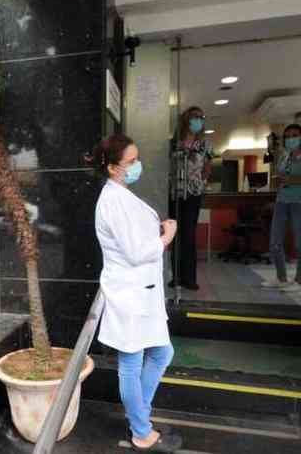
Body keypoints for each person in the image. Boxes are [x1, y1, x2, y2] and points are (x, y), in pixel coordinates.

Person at [93, 134, 182, 452]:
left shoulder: (121, 194)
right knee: (132, 363)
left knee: (161, 353)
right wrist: (166, 238)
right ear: (114, 167)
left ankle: (139, 418)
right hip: (130, 294)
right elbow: (133, 251)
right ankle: (141, 431)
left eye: (137, 159)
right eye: (131, 162)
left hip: (140, 292)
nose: (137, 166)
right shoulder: (112, 200)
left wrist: (156, 232)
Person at [261, 124, 301, 293]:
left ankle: (299, 280)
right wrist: (277, 180)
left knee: (300, 241)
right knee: (275, 241)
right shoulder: (285, 156)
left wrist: (294, 180)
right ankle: (281, 278)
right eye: (287, 136)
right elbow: (280, 177)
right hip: (282, 201)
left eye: (294, 135)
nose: (290, 139)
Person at [169, 106, 212, 291]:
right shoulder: (173, 142)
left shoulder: (205, 144)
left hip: (193, 193)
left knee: (189, 235)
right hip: (174, 192)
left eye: (200, 117)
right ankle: (176, 277)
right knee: (175, 234)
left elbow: (208, 167)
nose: (198, 120)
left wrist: (200, 182)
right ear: (185, 119)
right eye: (194, 116)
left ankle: (190, 278)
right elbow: (167, 165)